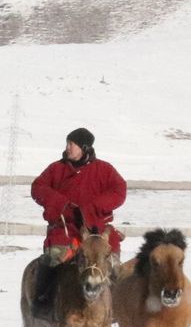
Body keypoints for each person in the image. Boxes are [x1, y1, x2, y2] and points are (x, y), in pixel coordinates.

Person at [31, 127, 126, 310]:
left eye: (71, 144)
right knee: (53, 259)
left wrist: (92, 208)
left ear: (85, 147)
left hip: (95, 231)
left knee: (113, 263)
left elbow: (120, 190)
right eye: (67, 144)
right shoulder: (56, 169)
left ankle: (117, 305)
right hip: (65, 229)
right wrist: (61, 204)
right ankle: (43, 301)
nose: (68, 148)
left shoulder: (104, 170)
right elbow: (37, 187)